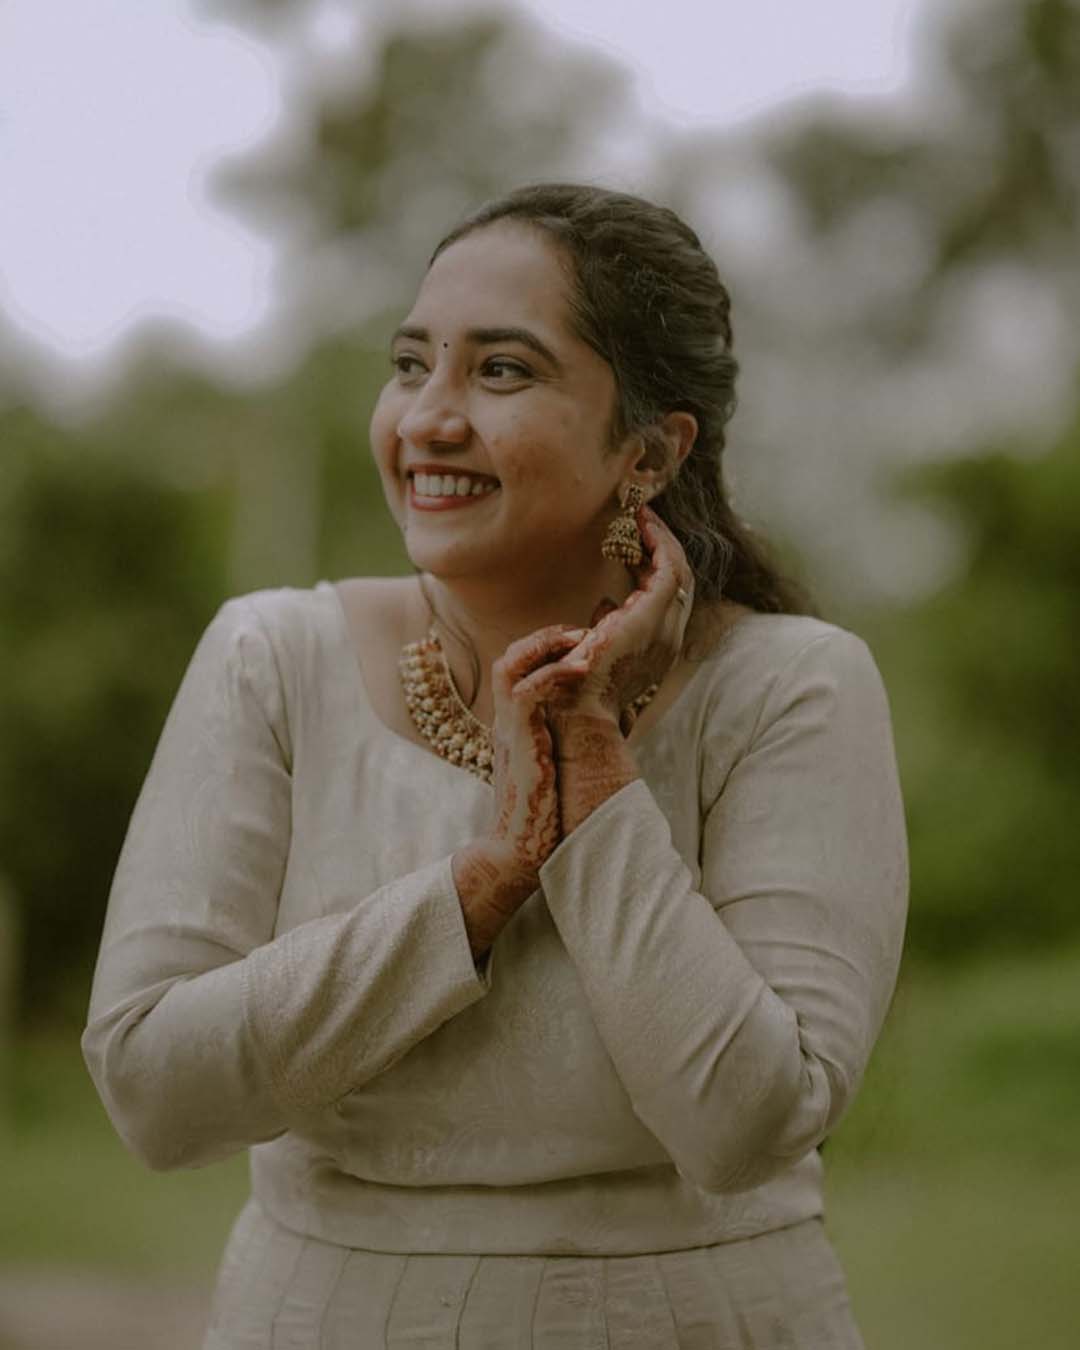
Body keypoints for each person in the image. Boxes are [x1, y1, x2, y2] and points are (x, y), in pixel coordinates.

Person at [82, 182, 909, 1348]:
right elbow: (153, 1091)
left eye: (502, 371)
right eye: (411, 363)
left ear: (650, 449)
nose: (428, 417)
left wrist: (591, 771)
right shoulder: (275, 656)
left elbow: (743, 1127)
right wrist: (482, 885)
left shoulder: (792, 687)